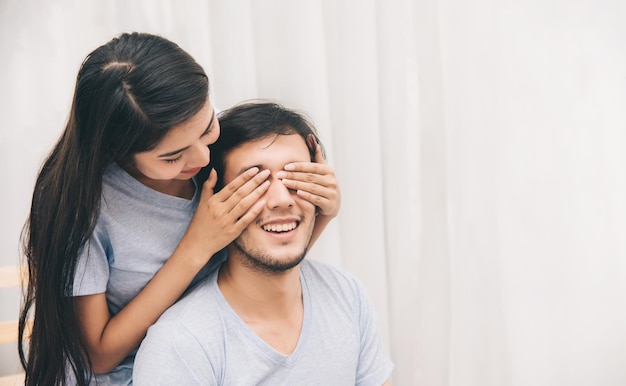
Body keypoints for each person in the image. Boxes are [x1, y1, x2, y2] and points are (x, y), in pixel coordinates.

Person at [18, 33, 340, 386]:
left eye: (207, 127)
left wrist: (322, 211)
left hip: (203, 364)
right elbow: (99, 355)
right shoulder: (83, 208)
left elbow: (260, 263)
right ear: (117, 151)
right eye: (172, 156)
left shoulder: (194, 130)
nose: (203, 158)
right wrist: (197, 246)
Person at [133, 101, 393, 386]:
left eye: (296, 177)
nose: (282, 198)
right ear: (215, 206)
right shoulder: (180, 345)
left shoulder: (347, 295)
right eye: (255, 183)